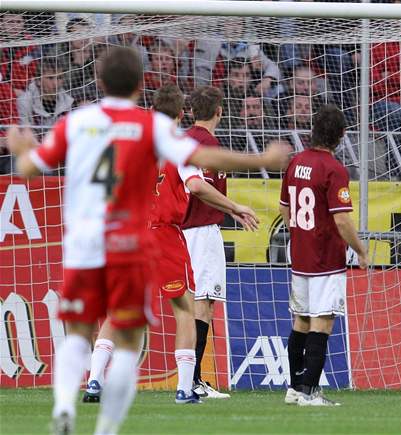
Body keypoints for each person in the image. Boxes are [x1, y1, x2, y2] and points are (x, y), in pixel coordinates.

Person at [6, 47, 290, 435]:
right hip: (135, 237)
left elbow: (30, 167)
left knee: (83, 326)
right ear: (140, 86)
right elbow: (202, 162)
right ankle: (141, 410)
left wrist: (21, 150)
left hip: (85, 240)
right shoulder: (153, 130)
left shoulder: (79, 121)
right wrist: (262, 162)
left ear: (100, 81)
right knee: (153, 319)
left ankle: (71, 400)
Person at [80, 85, 263, 405]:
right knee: (184, 309)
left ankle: (94, 380)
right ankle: (185, 387)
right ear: (181, 114)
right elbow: (196, 185)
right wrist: (235, 207)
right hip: (165, 233)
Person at [279, 104, 369, 406]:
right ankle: (309, 392)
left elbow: (283, 208)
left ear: (313, 130)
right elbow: (342, 220)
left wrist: (300, 233)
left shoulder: (295, 162)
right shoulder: (334, 169)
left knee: (301, 321)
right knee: (323, 322)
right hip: (325, 258)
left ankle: (295, 388)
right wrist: (360, 250)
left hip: (300, 254)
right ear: (341, 135)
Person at [180, 85, 252, 400]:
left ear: (191, 111)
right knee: (203, 303)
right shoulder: (207, 144)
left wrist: (229, 210)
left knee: (190, 303)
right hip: (200, 231)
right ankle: (193, 381)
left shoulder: (180, 141)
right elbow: (198, 187)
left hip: (178, 230)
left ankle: (191, 380)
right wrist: (234, 206)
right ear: (220, 111)